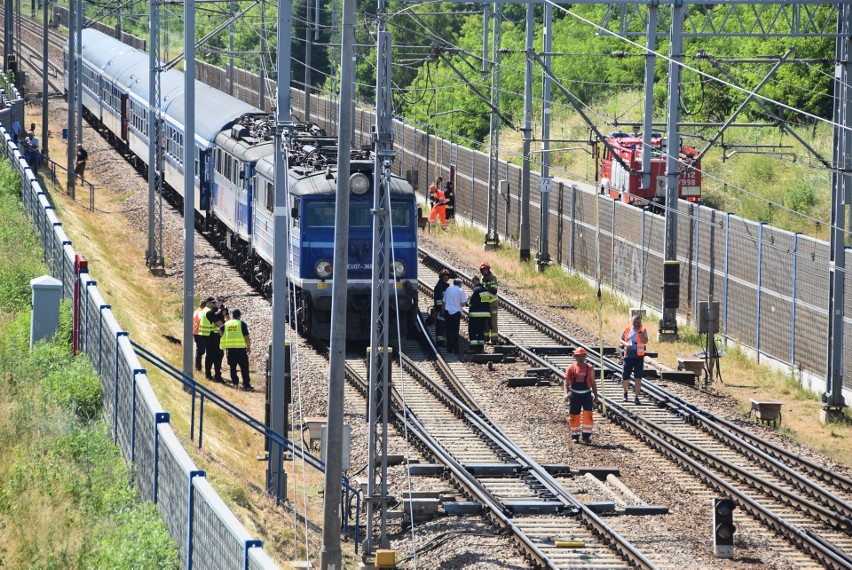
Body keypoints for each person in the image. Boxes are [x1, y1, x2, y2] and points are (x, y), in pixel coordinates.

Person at [563, 347, 599, 444]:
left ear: (585, 356)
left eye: (582, 356)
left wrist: (596, 396)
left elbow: (593, 382)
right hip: (574, 394)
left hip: (586, 394)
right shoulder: (571, 368)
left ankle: (586, 436)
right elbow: (566, 381)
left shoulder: (590, 368)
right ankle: (575, 436)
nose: (580, 358)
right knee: (574, 416)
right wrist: (566, 393)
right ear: (575, 357)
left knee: (588, 415)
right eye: (578, 356)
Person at [220, 308, 252, 390]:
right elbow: (247, 337)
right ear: (239, 315)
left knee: (232, 367)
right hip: (240, 349)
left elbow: (219, 330)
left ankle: (235, 383)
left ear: (232, 315)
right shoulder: (242, 324)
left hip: (230, 349)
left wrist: (223, 336)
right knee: (244, 367)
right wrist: (249, 347)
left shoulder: (227, 323)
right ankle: (246, 384)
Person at [621, 314, 649, 405]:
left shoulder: (643, 330)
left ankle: (636, 397)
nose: (637, 324)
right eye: (635, 322)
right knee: (625, 377)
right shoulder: (627, 330)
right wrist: (625, 344)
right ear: (631, 322)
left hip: (639, 357)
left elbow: (645, 341)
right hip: (628, 356)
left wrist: (640, 332)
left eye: (638, 322)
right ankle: (625, 392)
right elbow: (621, 339)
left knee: (638, 378)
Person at [442, 279, 467, 355]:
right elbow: (463, 303)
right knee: (455, 332)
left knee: (448, 331)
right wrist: (467, 300)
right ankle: (456, 350)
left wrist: (442, 311)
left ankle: (449, 349)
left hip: (447, 312)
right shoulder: (460, 290)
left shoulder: (448, 289)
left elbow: (444, 301)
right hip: (456, 313)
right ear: (460, 284)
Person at [467, 276, 492, 353]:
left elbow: (472, 303)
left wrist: (467, 302)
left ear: (475, 281)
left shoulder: (476, 290)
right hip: (484, 314)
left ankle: (474, 347)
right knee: (481, 330)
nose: (473, 284)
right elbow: (486, 302)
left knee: (473, 330)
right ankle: (481, 347)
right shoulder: (486, 290)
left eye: (472, 282)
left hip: (475, 314)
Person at [203, 297, 225, 382]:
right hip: (211, 336)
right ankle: (214, 375)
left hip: (212, 335)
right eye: (213, 303)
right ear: (209, 303)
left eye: (215, 303)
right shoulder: (210, 313)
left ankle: (213, 374)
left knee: (214, 356)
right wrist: (220, 315)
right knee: (214, 356)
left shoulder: (209, 312)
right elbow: (220, 324)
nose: (215, 304)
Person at [479, 262, 499, 344]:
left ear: (488, 269)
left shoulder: (493, 278)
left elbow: (494, 290)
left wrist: (486, 288)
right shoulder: (482, 278)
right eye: (483, 270)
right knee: (485, 322)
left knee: (492, 322)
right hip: (485, 303)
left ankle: (494, 339)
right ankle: (485, 337)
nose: (485, 271)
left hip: (492, 304)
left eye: (486, 269)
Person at [433, 269, 451, 346]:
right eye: (444, 276)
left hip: (447, 310)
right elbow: (438, 300)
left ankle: (445, 341)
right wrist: (441, 310)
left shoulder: (447, 287)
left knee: (446, 326)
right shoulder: (439, 287)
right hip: (440, 311)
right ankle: (440, 341)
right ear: (441, 277)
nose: (445, 278)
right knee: (440, 326)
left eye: (447, 276)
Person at [192, 298, 209, 371]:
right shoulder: (202, 312)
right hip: (199, 332)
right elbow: (200, 321)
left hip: (195, 332)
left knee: (200, 350)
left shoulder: (196, 311)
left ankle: (198, 366)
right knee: (200, 350)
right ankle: (198, 366)